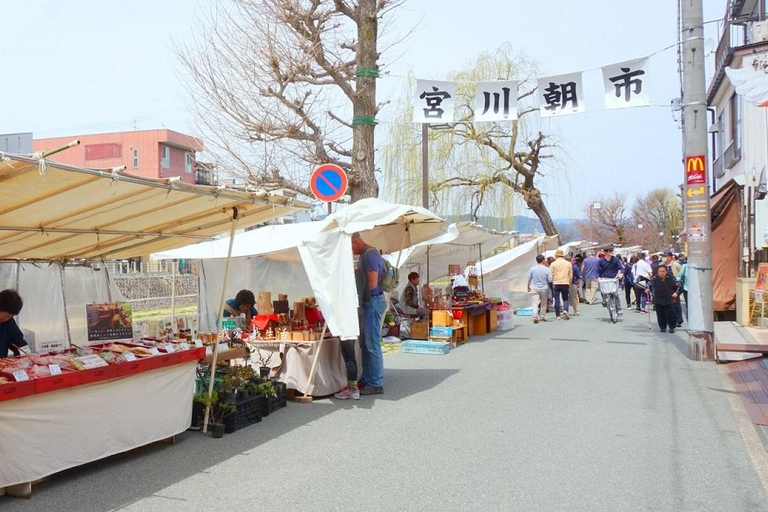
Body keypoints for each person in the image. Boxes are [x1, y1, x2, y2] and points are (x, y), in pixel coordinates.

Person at [351, 232, 386, 395]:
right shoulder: (366, 255)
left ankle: (376, 382)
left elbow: (372, 283)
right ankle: (367, 377)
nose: (351, 251)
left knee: (372, 343)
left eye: (350, 246)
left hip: (372, 301)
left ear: (356, 242)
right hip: (368, 302)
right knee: (365, 342)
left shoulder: (370, 255)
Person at [647, 265, 681, 333]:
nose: (661, 273)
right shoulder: (655, 278)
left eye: (663, 271)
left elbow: (679, 285)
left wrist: (676, 293)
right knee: (660, 314)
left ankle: (672, 327)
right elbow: (649, 284)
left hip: (670, 298)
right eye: (660, 271)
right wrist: (647, 288)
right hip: (658, 298)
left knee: (671, 314)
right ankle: (662, 327)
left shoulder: (671, 278)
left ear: (666, 272)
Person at [0, 290, 28, 358]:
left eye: (10, 317)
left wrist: (26, 354)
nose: (7, 319)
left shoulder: (8, 322)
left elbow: (18, 340)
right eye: (7, 316)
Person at [598, 247, 625, 315]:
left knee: (615, 293)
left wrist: (621, 274)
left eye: (612, 251)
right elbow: (597, 270)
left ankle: (618, 309)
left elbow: (621, 268)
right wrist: (598, 277)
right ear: (605, 252)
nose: (611, 252)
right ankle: (604, 300)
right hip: (604, 278)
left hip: (613, 278)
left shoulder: (615, 259)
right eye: (610, 251)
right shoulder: (601, 261)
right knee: (603, 290)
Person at [527, 254, 551, 324]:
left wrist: (528, 286)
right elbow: (550, 280)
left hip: (535, 287)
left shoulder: (532, 269)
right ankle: (542, 317)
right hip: (544, 288)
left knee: (535, 302)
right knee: (543, 303)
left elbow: (529, 278)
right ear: (543, 260)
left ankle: (535, 316)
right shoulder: (547, 269)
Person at [550, 249, 573, 320]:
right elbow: (571, 274)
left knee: (556, 299)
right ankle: (565, 310)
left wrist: (552, 282)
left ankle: (558, 315)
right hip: (565, 282)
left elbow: (551, 274)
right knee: (565, 298)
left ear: (556, 256)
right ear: (562, 256)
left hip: (556, 282)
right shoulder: (568, 263)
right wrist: (570, 282)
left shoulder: (553, 264)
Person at [676, 253, 689, 321]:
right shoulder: (685, 266)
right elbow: (679, 276)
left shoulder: (696, 267)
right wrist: (677, 282)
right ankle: (689, 318)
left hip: (696, 289)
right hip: (686, 288)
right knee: (688, 304)